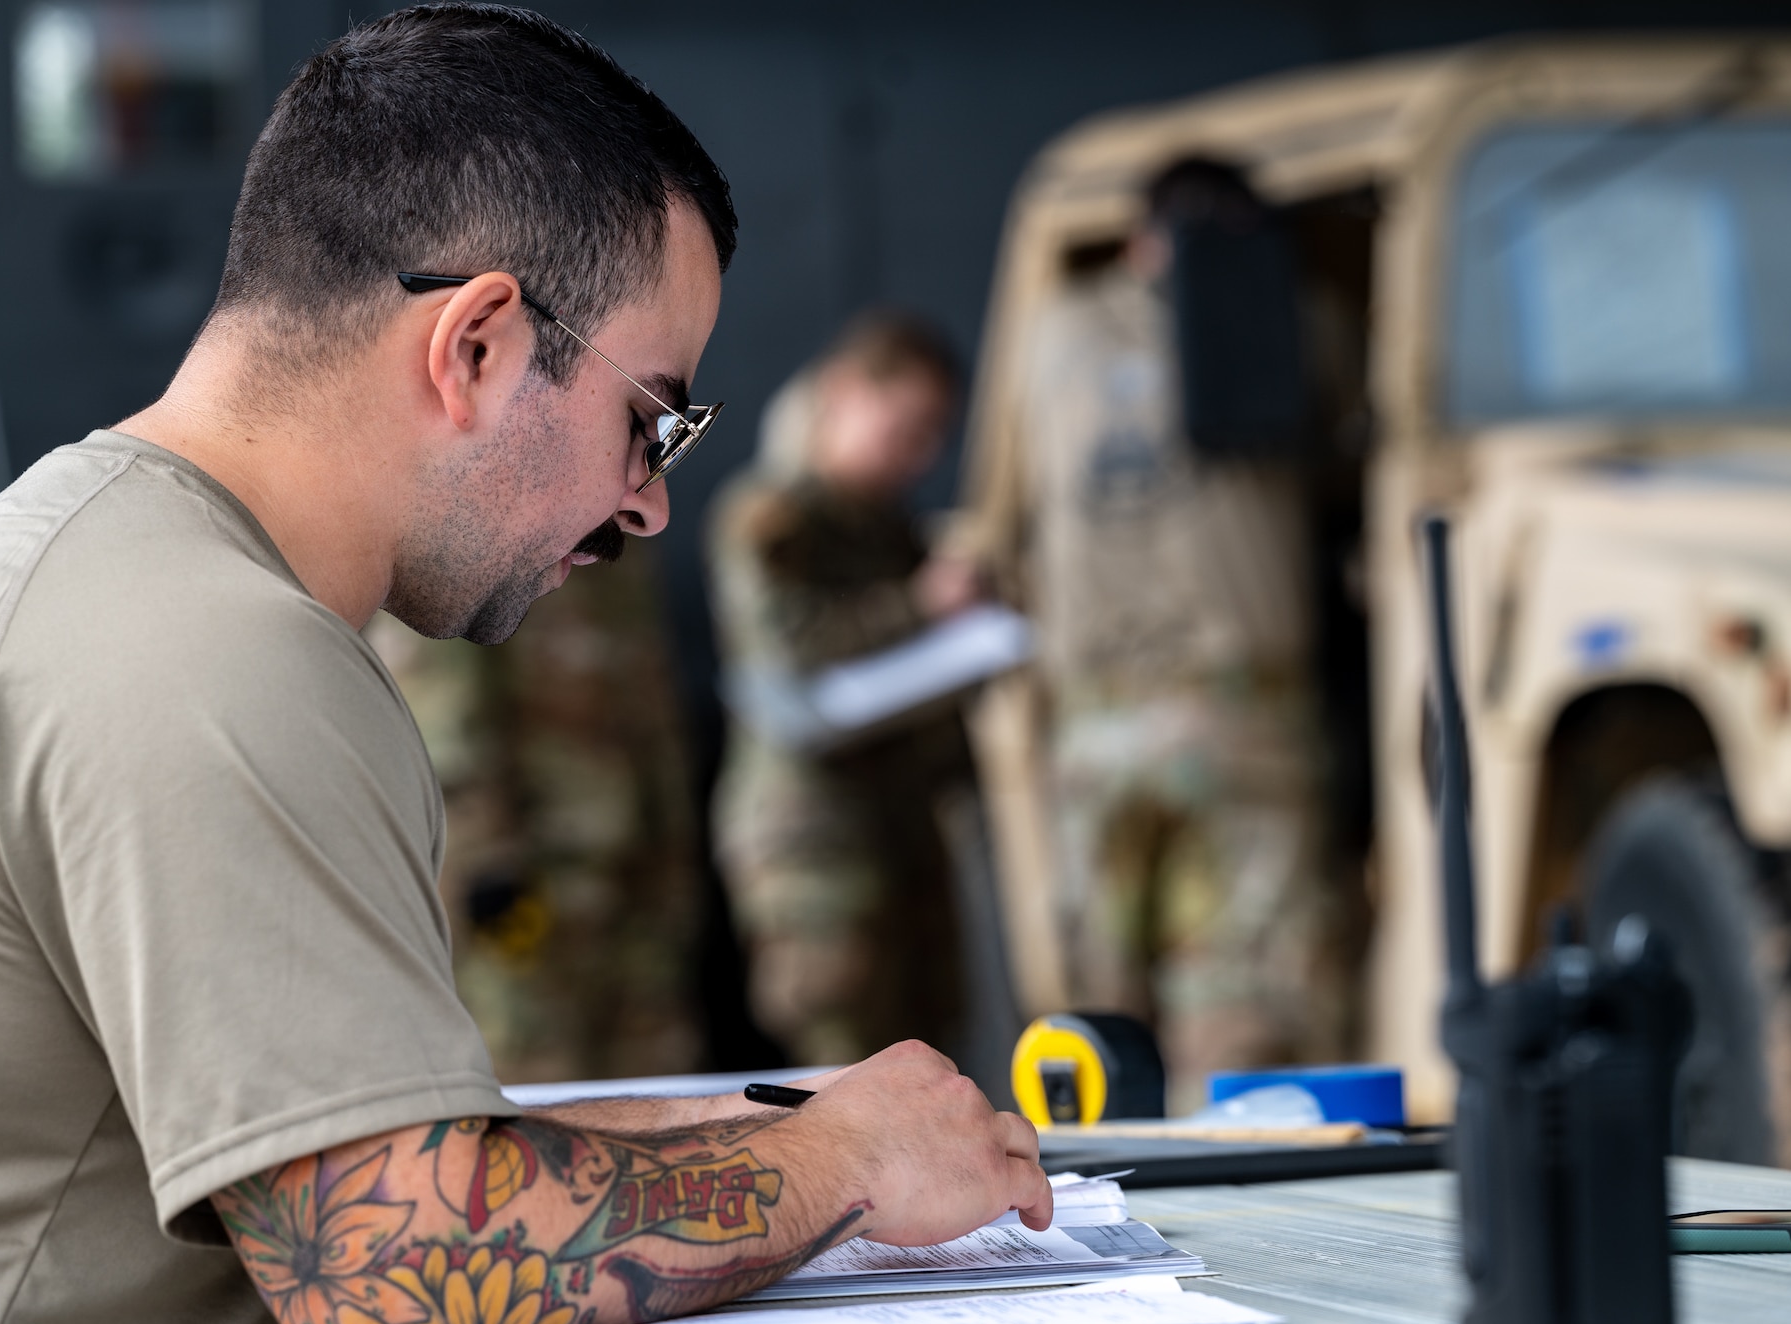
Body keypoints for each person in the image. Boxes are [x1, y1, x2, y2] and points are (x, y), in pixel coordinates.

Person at [0, 9, 1050, 1324]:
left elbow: (338, 1171)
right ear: (475, 345)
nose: (646, 506)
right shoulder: (209, 647)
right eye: (652, 419)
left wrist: (762, 1121)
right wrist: (847, 1161)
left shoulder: (92, 567)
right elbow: (394, 1271)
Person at [958, 157, 1349, 1108]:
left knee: (1097, 1016)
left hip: (1093, 731)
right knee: (1244, 1008)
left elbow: (1000, 515)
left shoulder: (1050, 333)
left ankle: (1101, 1221)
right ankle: (1248, 1233)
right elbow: (1349, 473)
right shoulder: (1299, 318)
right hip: (1243, 721)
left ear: (1143, 237)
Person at [708, 313, 981, 1067]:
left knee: (929, 1064)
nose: (918, 455)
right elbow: (789, 651)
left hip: (902, 838)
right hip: (815, 848)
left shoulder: (889, 529)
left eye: (933, 435)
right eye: (905, 427)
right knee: (845, 1074)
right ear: (845, 392)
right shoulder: (771, 518)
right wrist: (922, 605)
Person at [366, 535, 707, 1085]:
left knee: (652, 1064)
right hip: (533, 870)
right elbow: (448, 732)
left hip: (633, 856)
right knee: (539, 1070)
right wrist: (489, 864)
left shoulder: (615, 537)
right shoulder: (470, 535)